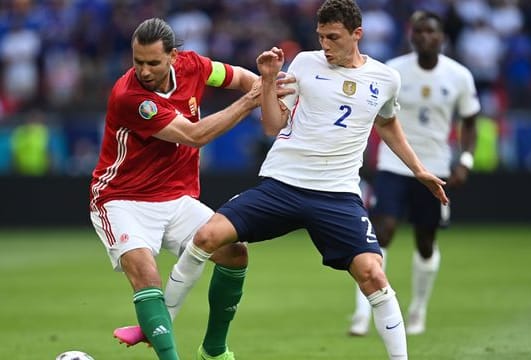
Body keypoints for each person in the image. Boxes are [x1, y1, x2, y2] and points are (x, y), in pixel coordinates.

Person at [165, 1, 449, 359]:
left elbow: (388, 122)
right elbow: (272, 125)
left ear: (357, 35)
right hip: (282, 185)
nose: (325, 45)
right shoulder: (304, 63)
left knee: (373, 275)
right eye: (321, 36)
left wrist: (418, 168)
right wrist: (268, 80)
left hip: (337, 196)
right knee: (206, 236)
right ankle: (160, 325)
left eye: (333, 37)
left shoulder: (386, 79)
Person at [89, 18, 293, 360]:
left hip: (177, 197)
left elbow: (239, 77)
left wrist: (266, 89)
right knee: (146, 275)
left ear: (173, 56)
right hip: (122, 199)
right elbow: (195, 136)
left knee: (235, 252)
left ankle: (214, 349)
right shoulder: (133, 97)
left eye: (153, 62)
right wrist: (251, 102)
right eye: (137, 61)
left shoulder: (194, 65)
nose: (144, 70)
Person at [349, 10, 479, 337]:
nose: (424, 37)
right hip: (395, 164)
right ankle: (363, 314)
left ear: (442, 38)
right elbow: (374, 114)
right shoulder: (394, 70)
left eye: (431, 32)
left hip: (435, 168)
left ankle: (418, 309)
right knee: (383, 232)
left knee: (425, 240)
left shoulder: (459, 76)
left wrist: (464, 161)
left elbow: (470, 122)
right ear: (411, 36)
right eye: (418, 32)